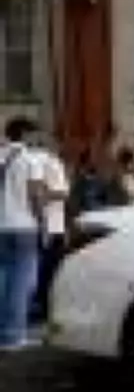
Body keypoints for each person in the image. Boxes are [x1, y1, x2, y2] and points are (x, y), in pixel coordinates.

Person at [0, 117, 46, 350]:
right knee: (23, 283)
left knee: (4, 281)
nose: (37, 139)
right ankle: (13, 336)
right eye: (34, 134)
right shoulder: (30, 159)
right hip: (23, 226)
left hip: (2, 226)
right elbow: (35, 195)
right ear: (25, 134)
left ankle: (4, 331)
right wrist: (43, 223)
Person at [28, 130, 69, 323]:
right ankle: (44, 309)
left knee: (37, 270)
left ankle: (37, 307)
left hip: (36, 225)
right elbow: (61, 193)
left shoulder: (26, 161)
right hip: (50, 226)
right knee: (49, 271)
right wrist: (40, 197)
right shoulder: (52, 163)